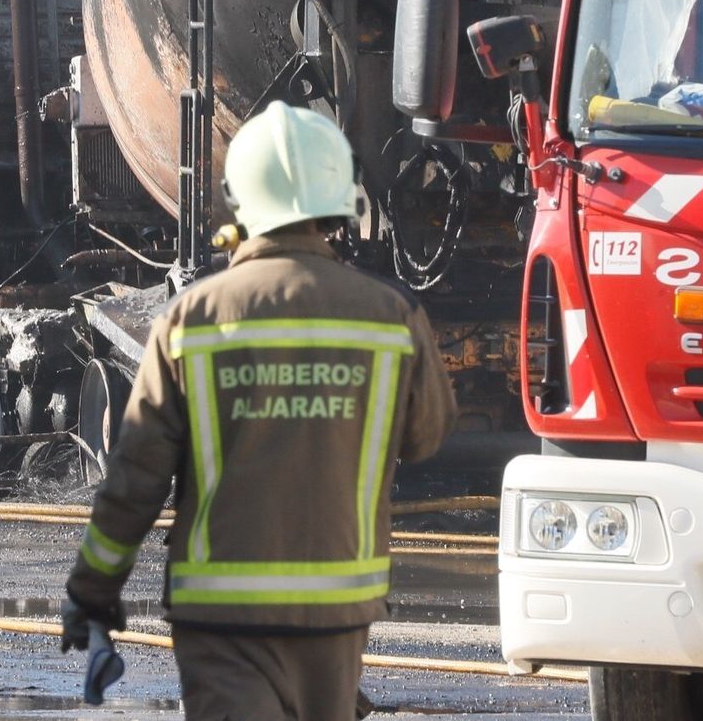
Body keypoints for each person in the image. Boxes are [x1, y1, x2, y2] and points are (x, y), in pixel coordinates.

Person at [61, 102, 457, 721]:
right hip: (336, 613)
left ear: (238, 200)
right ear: (338, 198)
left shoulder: (192, 320)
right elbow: (428, 437)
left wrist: (94, 590)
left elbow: (136, 477)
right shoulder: (390, 317)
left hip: (223, 617)